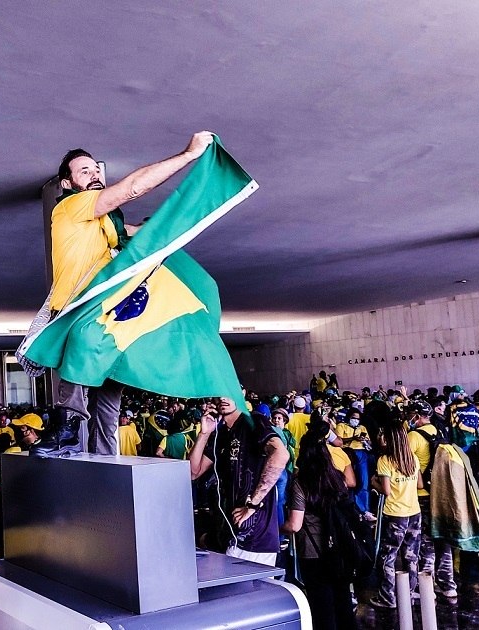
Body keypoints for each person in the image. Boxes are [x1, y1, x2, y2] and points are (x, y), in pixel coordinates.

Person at [33, 131, 217, 458]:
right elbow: (132, 188)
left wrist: (189, 212)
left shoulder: (107, 223)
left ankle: (105, 458)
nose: (95, 175)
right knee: (83, 347)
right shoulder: (71, 207)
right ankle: (66, 430)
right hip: (82, 308)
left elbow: (137, 233)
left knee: (107, 397)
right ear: (67, 183)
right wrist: (188, 156)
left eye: (96, 170)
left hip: (111, 310)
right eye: (84, 172)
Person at [189, 397, 289, 566]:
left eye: (228, 392)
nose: (223, 398)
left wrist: (253, 505)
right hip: (230, 534)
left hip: (255, 539)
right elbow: (193, 471)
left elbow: (281, 454)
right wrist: (204, 433)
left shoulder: (253, 421)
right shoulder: (221, 434)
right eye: (219, 394)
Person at [281, 422, 355, 630]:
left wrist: (278, 527)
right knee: (343, 603)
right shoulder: (337, 478)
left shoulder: (301, 482)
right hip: (339, 549)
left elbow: (295, 525)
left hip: (313, 552)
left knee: (322, 609)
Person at [406, 400, 458, 598]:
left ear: (417, 416)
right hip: (441, 494)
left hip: (422, 496)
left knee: (425, 541)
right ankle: (448, 585)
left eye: (411, 414)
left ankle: (426, 587)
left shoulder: (413, 436)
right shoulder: (440, 431)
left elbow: (406, 463)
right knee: (443, 540)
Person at [369, 421, 422, 609]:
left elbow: (386, 491)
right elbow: (420, 485)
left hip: (395, 514)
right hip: (414, 512)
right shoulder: (413, 459)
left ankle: (388, 597)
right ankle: (410, 593)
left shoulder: (384, 461)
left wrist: (373, 482)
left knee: (388, 557)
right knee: (411, 556)